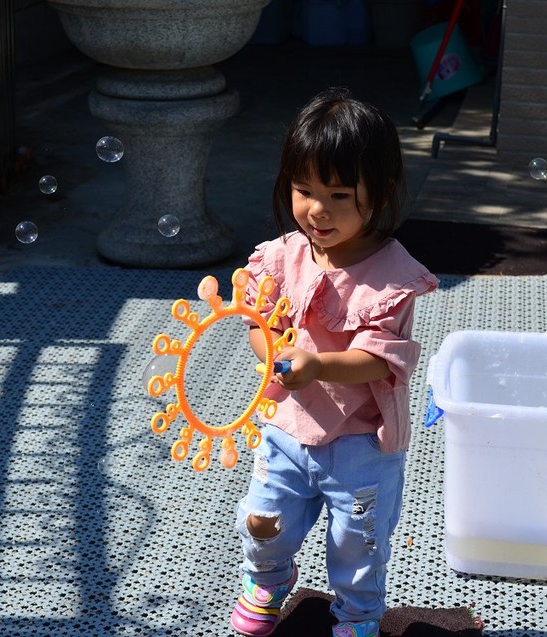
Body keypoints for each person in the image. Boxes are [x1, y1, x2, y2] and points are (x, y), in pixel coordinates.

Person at [230, 87, 439, 637]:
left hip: (360, 445)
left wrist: (318, 366)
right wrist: (278, 356)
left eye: (340, 195)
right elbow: (260, 324)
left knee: (358, 542)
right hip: (286, 432)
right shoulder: (280, 257)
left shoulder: (392, 276)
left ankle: (358, 615)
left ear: (382, 190)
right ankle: (270, 581)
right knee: (263, 523)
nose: (317, 210)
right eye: (304, 190)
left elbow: (379, 360)